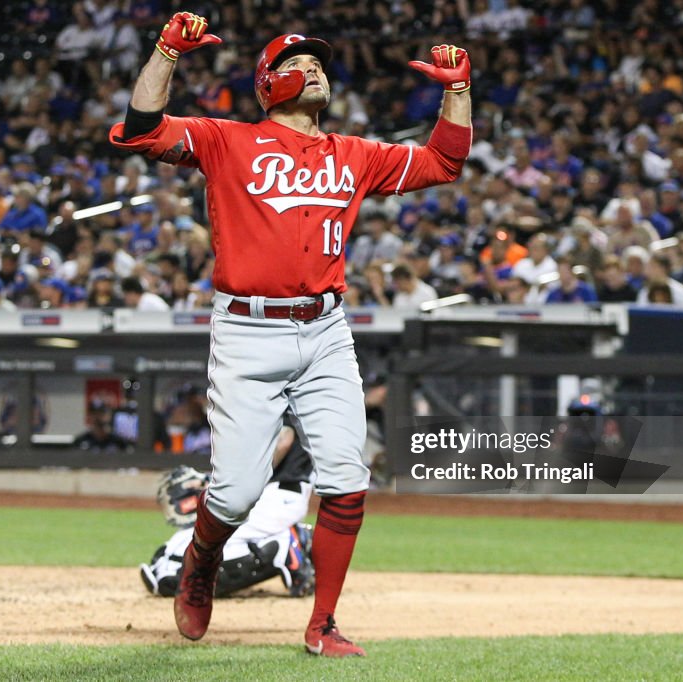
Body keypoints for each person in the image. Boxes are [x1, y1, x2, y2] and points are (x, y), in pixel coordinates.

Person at [109, 14, 473, 657]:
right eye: (295, 64)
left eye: (318, 65)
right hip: (248, 331)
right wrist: (166, 52)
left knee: (347, 474)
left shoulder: (354, 154)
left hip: (326, 327)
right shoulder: (228, 141)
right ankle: (201, 561)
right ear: (266, 85)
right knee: (237, 490)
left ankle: (322, 622)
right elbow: (140, 131)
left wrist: (456, 92)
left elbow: (445, 161)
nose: (312, 70)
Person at [141, 416, 315, 600]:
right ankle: (286, 542)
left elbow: (283, 441)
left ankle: (283, 546)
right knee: (174, 552)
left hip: (277, 497)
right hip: (275, 497)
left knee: (184, 557)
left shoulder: (284, 390)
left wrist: (242, 482)